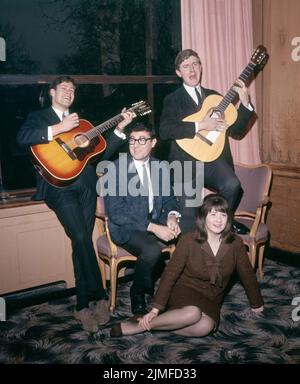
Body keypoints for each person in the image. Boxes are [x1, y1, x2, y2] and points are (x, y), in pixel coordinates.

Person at [17, 76, 135, 332]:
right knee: (82, 237)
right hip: (58, 188)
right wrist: (58, 129)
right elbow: (22, 137)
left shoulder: (83, 123)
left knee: (78, 243)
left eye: (72, 89)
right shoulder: (40, 118)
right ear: (52, 92)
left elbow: (101, 153)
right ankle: (100, 295)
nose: (69, 92)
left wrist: (119, 129)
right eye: (64, 88)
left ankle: (82, 306)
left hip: (86, 187)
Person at [110, 194, 264, 338]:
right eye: (213, 214)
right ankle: (140, 326)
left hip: (212, 299)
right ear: (203, 217)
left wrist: (256, 303)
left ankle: (160, 324)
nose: (219, 220)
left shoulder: (235, 243)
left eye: (223, 215)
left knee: (206, 326)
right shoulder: (189, 240)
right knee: (193, 313)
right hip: (185, 290)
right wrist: (155, 309)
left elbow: (247, 275)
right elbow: (170, 275)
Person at [159, 49, 255, 233]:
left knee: (232, 185)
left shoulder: (215, 97)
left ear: (201, 67)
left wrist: (245, 104)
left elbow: (236, 131)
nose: (192, 70)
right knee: (187, 221)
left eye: (195, 64)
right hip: (186, 162)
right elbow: (165, 130)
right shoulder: (172, 99)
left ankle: (216, 224)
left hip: (213, 159)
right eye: (186, 66)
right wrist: (202, 124)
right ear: (179, 73)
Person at [103, 122, 181, 315]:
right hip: (126, 228)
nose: (135, 145)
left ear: (153, 142)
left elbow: (170, 198)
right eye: (132, 140)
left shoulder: (160, 166)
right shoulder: (115, 169)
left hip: (155, 221)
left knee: (192, 234)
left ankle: (180, 289)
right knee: (152, 250)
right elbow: (117, 213)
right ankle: (138, 292)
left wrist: (172, 216)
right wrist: (153, 228)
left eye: (142, 140)